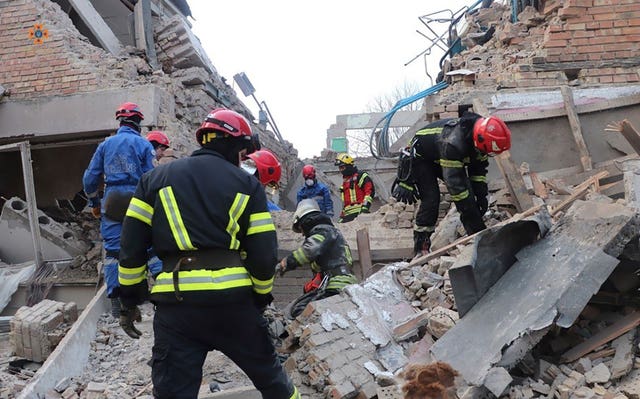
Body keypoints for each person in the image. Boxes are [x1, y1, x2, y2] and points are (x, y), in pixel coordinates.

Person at [117, 109, 299, 399]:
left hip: (177, 308)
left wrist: (129, 299)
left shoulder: (152, 180)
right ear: (234, 146)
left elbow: (130, 249)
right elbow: (264, 255)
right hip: (234, 304)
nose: (242, 159)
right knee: (275, 383)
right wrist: (260, 296)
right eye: (242, 152)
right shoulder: (248, 186)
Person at [391, 113, 511, 257]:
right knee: (432, 199)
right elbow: (455, 186)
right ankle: (421, 246)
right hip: (421, 159)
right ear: (478, 140)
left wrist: (480, 196)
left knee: (469, 194)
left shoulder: (478, 136)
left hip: (438, 153)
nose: (488, 154)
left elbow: (478, 171)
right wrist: (472, 218)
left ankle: (475, 232)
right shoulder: (452, 143)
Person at [83, 102, 156, 316]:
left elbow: (89, 178)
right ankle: (158, 292)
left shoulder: (105, 145)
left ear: (121, 122)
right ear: (138, 122)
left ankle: (117, 302)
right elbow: (151, 177)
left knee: (114, 252)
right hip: (137, 198)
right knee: (149, 246)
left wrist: (95, 203)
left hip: (112, 199)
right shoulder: (144, 145)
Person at [276, 199, 358, 319]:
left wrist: (286, 263)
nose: (303, 234)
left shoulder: (323, 232)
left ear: (306, 222)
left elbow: (308, 251)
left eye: (301, 229)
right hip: (342, 283)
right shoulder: (332, 232)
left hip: (336, 286)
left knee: (300, 311)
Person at [334, 153, 375, 223]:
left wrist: (365, 207)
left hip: (360, 212)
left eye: (342, 167)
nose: (341, 170)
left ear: (349, 166)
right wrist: (342, 215)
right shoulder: (345, 182)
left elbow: (369, 192)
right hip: (347, 215)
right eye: (340, 168)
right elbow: (345, 202)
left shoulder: (361, 176)